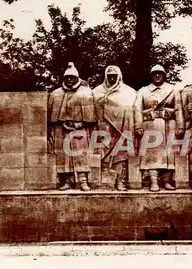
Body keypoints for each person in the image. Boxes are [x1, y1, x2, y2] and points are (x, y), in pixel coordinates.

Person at [133, 64, 184, 191]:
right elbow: (137, 109)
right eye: (154, 73)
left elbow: (178, 109)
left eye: (159, 73)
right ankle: (153, 182)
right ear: (151, 75)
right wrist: (138, 126)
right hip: (151, 126)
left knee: (169, 153)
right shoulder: (143, 91)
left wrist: (181, 126)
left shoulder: (173, 90)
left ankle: (166, 181)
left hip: (169, 125)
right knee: (152, 154)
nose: (157, 75)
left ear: (164, 75)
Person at [47, 62, 96, 191]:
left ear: (76, 78)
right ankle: (67, 181)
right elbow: (51, 116)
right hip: (61, 128)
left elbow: (90, 114)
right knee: (64, 156)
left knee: (81, 154)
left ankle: (83, 181)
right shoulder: (55, 93)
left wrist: (82, 123)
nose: (69, 79)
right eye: (67, 77)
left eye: (72, 77)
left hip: (80, 127)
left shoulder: (85, 92)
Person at [92, 65, 137, 191]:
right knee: (103, 154)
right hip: (103, 129)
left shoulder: (129, 92)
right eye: (109, 76)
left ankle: (120, 181)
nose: (112, 78)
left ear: (119, 76)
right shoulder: (97, 91)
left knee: (121, 155)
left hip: (121, 129)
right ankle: (105, 182)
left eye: (114, 76)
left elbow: (132, 110)